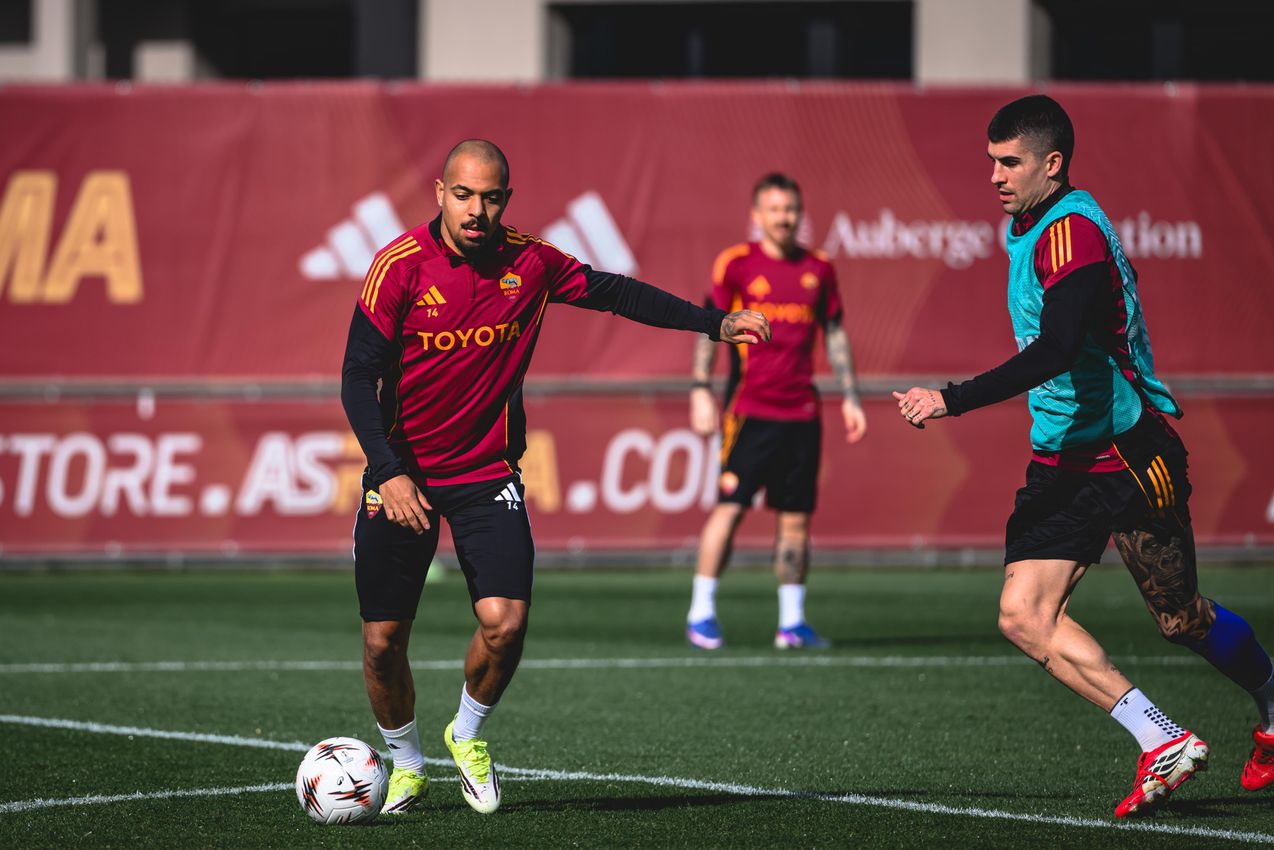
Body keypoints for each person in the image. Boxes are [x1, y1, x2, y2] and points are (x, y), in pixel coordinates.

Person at [340, 139, 771, 816]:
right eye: (463, 195)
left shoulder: (531, 263)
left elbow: (617, 293)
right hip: (405, 477)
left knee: (506, 624)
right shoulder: (398, 267)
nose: (476, 211)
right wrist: (388, 473)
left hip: (486, 471)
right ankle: (408, 764)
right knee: (381, 643)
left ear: (505, 201)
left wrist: (714, 323)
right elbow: (356, 377)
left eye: (490, 198)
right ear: (440, 193)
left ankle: (467, 735)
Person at [893, 95, 1274, 817]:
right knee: (1022, 616)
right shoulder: (1027, 224)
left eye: (1010, 163)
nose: (995, 176)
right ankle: (1162, 739)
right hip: (1062, 460)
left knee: (1182, 619)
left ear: (1053, 163)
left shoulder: (1073, 234)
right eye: (991, 162)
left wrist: (952, 398)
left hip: (1128, 455)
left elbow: (1060, 348)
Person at [685, 173, 866, 651]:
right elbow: (709, 326)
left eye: (791, 210)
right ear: (757, 215)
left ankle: (792, 623)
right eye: (775, 209)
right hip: (750, 410)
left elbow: (835, 333)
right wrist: (700, 388)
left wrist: (850, 395)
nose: (784, 218)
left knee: (796, 520)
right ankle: (701, 612)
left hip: (802, 413)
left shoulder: (819, 268)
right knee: (730, 508)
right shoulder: (736, 264)